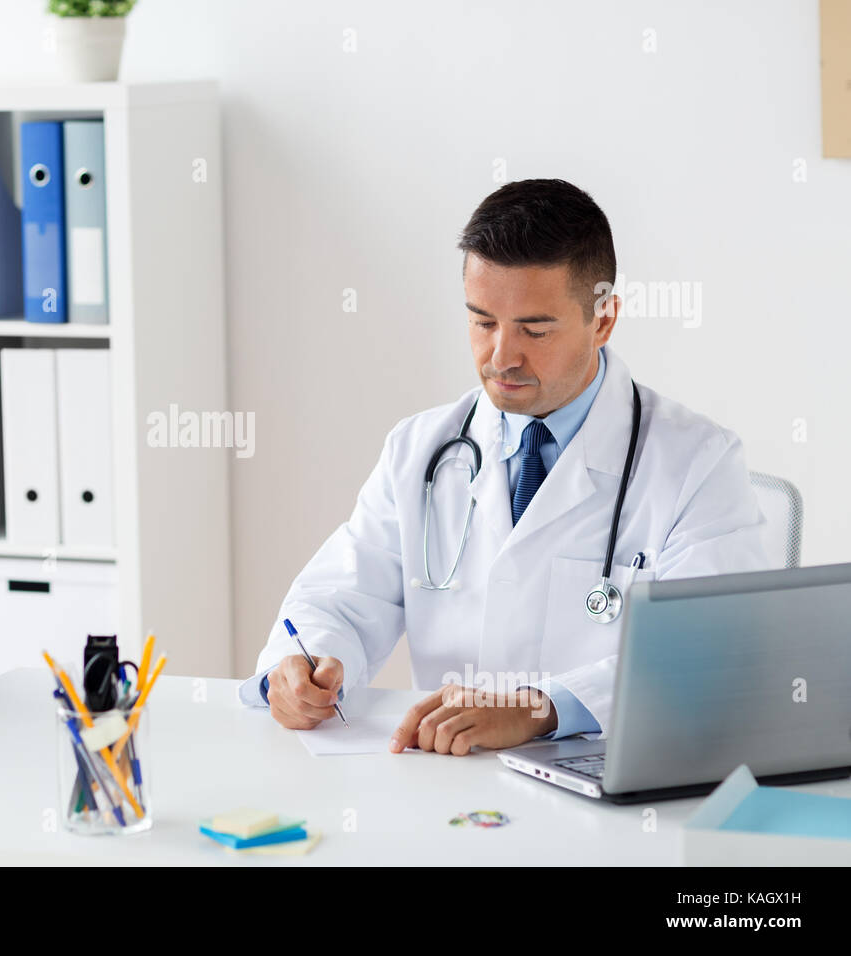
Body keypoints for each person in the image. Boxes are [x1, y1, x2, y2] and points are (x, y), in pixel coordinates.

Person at [239, 179, 771, 755]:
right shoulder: (421, 450)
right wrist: (301, 666)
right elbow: (342, 596)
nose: (501, 357)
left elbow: (716, 650)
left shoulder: (697, 462)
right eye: (482, 321)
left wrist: (542, 708)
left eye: (534, 330)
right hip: (446, 782)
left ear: (603, 320)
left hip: (608, 783)